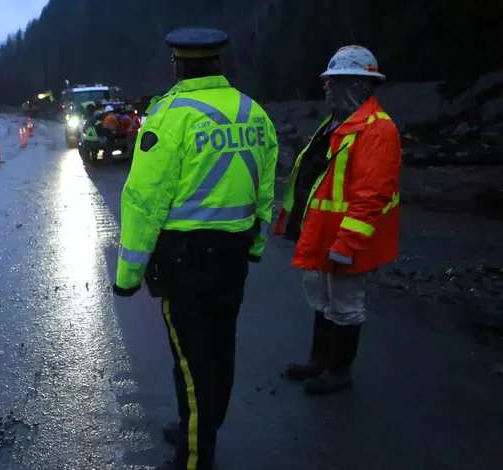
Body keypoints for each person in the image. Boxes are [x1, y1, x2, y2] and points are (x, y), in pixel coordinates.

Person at [112, 27, 278, 470]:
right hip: (234, 257)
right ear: (218, 63)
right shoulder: (253, 112)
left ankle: (194, 457)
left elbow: (144, 201)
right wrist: (257, 244)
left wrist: (128, 275)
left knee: (191, 363)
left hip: (186, 262)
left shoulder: (169, 116)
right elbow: (265, 190)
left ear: (178, 64)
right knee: (219, 351)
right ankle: (197, 429)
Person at [274, 45, 401, 395]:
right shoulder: (337, 125)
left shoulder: (376, 129)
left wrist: (348, 243)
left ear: (358, 84)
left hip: (346, 239)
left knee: (345, 306)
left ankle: (338, 371)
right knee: (323, 300)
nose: (327, 88)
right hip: (323, 233)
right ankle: (320, 362)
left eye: (334, 82)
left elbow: (372, 194)